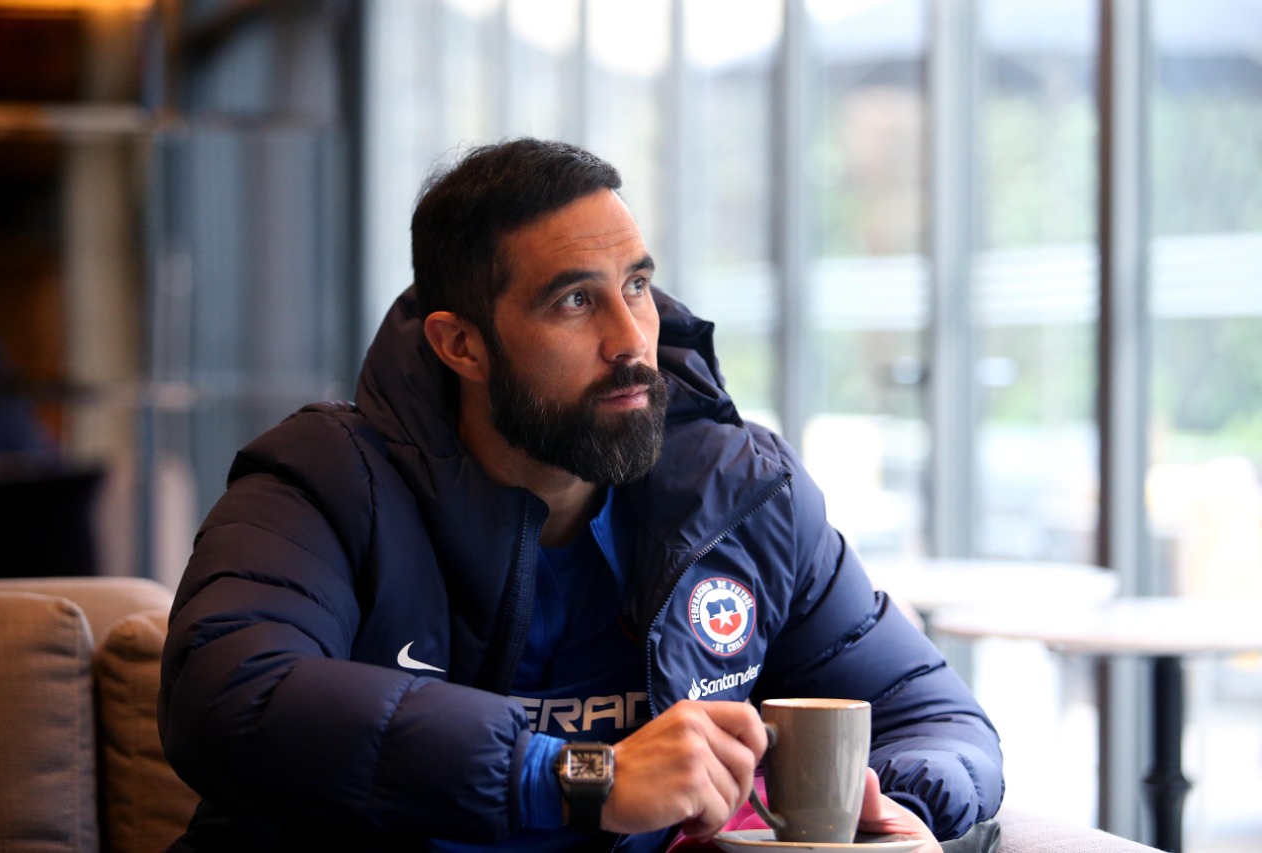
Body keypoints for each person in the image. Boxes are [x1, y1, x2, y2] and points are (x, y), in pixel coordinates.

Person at [159, 138, 1003, 852]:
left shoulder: (741, 494)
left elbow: (938, 718)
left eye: (636, 286)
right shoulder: (326, 480)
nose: (632, 340)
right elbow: (231, 694)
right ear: (462, 345)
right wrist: (575, 775)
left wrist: (891, 810)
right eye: (574, 301)